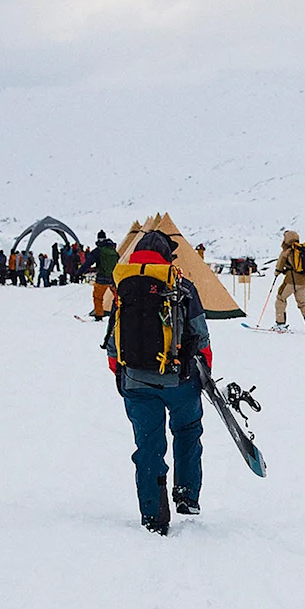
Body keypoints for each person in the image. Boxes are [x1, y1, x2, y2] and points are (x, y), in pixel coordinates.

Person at [105, 229, 211, 534]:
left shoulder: (123, 286)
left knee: (148, 448)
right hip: (180, 379)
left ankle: (153, 515)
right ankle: (187, 495)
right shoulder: (182, 285)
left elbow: (114, 340)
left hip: (137, 383)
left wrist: (122, 374)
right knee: (188, 431)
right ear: (167, 255)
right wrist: (203, 371)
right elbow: (200, 335)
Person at [272, 230, 305, 331]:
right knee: (302, 303)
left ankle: (280, 323)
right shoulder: (302, 249)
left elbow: (280, 264)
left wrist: (277, 272)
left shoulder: (287, 251)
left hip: (291, 280)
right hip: (303, 281)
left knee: (281, 298)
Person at [90, 232, 118, 320]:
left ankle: (99, 315)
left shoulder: (98, 251)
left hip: (101, 279)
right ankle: (120, 311)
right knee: (118, 296)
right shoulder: (113, 251)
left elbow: (87, 263)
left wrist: (78, 273)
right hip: (112, 279)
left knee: (98, 297)